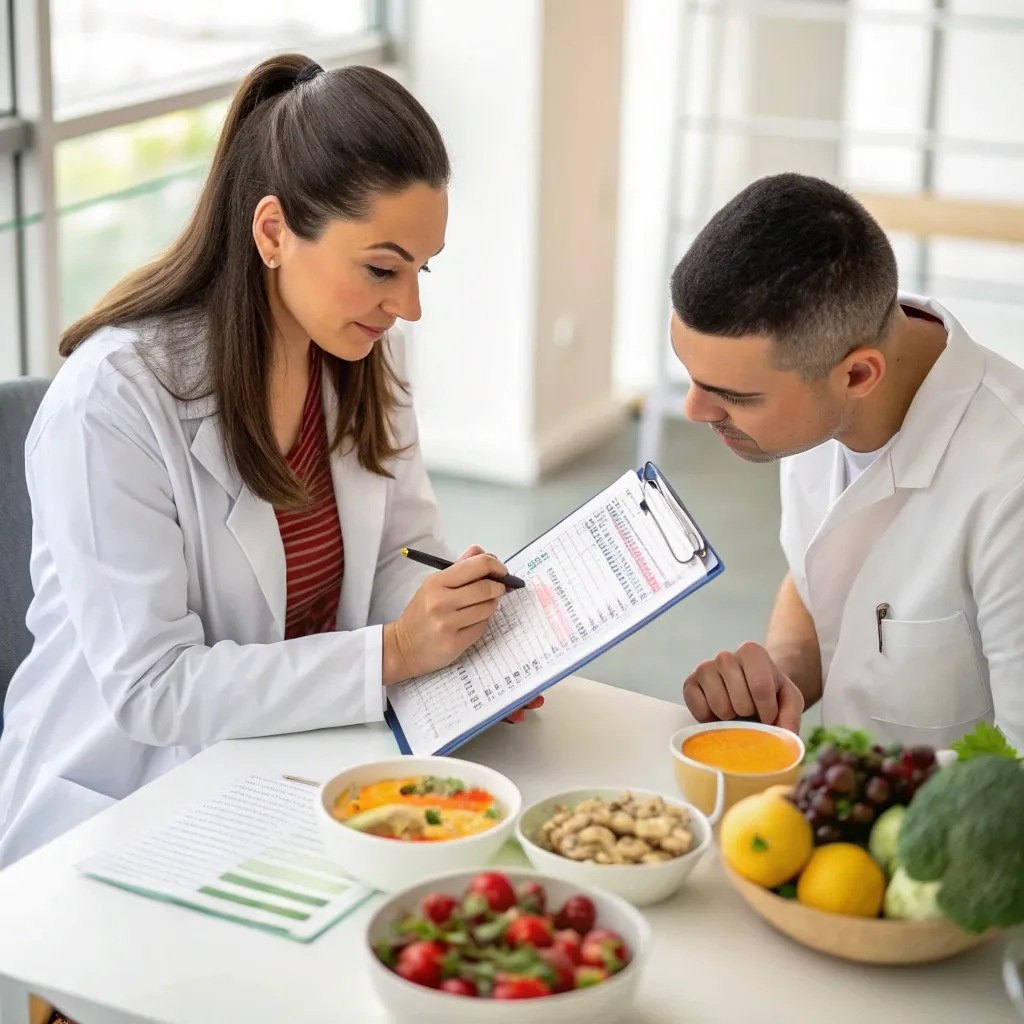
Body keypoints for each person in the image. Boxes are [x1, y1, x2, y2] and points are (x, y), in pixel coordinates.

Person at [0, 54, 540, 871]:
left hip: (289, 767)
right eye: (382, 269)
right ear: (273, 232)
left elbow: (398, 556)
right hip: (121, 812)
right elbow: (156, 690)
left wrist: (457, 622)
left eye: (420, 271)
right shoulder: (112, 402)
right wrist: (395, 653)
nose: (409, 307)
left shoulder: (358, 363)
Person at [672, 172, 1024, 753]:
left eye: (733, 396)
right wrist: (780, 673)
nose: (693, 410)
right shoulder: (816, 402)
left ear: (858, 375)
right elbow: (822, 577)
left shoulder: (1009, 487)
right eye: (692, 376)